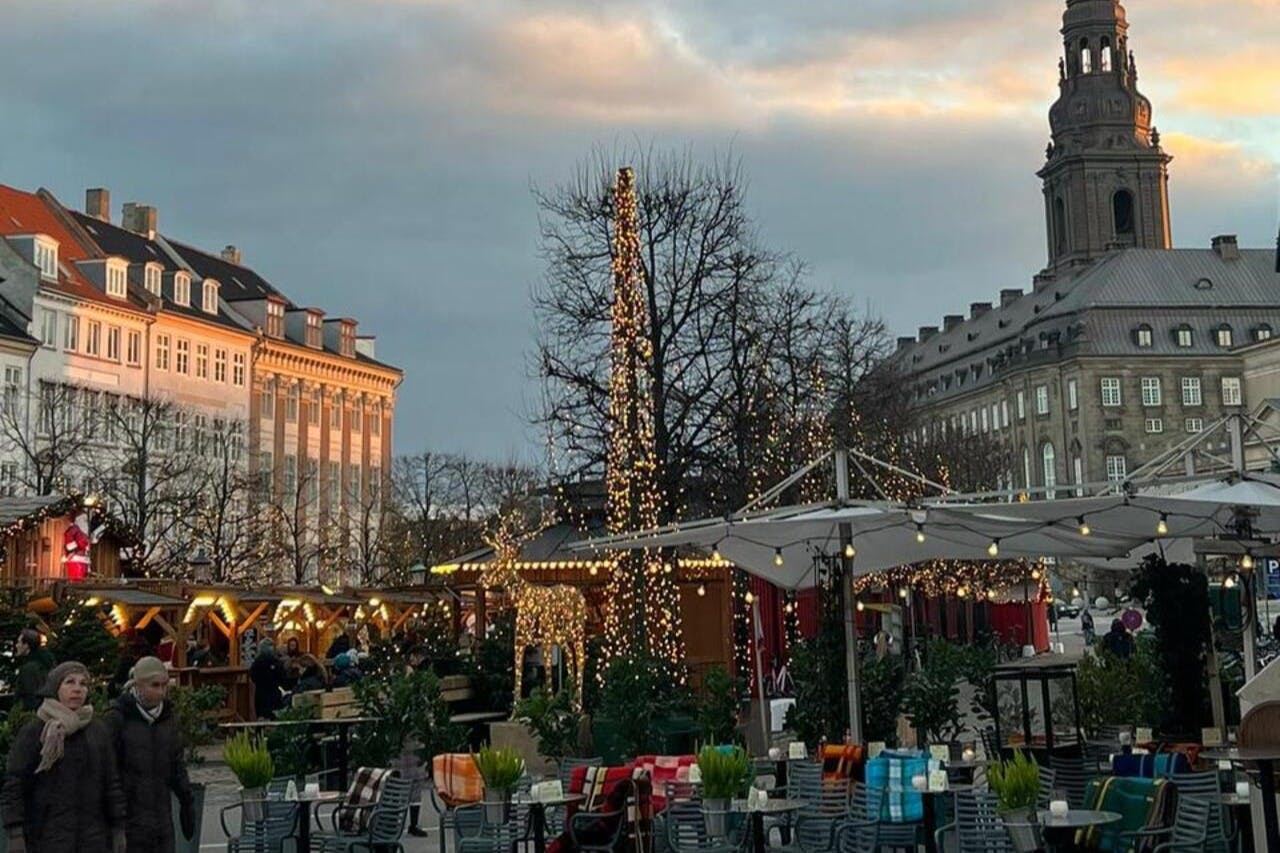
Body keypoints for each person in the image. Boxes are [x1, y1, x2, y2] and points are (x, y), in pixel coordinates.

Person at [2, 661, 126, 853]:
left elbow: (111, 782)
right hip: (47, 838)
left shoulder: (97, 731)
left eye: (83, 684)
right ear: (55, 687)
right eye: (70, 682)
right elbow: (15, 784)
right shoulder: (35, 731)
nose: (77, 689)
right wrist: (15, 833)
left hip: (93, 839)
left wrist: (118, 827)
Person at [103, 657, 194, 853]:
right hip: (130, 819)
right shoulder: (117, 718)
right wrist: (115, 821)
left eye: (164, 685)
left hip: (161, 820)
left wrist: (186, 800)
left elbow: (176, 764)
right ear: (138, 684)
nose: (161, 691)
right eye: (155, 685)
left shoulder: (167, 718)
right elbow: (108, 773)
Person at [14, 630, 53, 712]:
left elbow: (31, 696)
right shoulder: (45, 662)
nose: (16, 645)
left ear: (26, 645)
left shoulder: (29, 669)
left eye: (19, 642)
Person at [249, 638, 287, 720]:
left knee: (263, 716)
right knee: (274, 716)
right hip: (273, 692)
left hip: (261, 693)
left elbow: (253, 676)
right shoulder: (276, 661)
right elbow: (282, 677)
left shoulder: (257, 662)